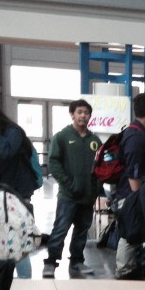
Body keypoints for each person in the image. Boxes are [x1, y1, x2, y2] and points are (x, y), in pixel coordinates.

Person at [43, 99, 101, 278]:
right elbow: (53, 162)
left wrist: (96, 189)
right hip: (68, 196)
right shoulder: (62, 137)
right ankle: (51, 263)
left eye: (86, 112)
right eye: (79, 112)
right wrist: (68, 183)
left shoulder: (95, 141)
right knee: (60, 228)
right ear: (72, 114)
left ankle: (77, 261)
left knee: (82, 230)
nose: (83, 115)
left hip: (87, 196)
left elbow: (100, 167)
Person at [114, 92, 145, 280]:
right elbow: (134, 170)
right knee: (130, 231)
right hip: (131, 193)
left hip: (137, 191)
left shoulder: (143, 133)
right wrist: (138, 196)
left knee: (134, 231)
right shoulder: (135, 137)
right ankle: (124, 269)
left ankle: (132, 266)